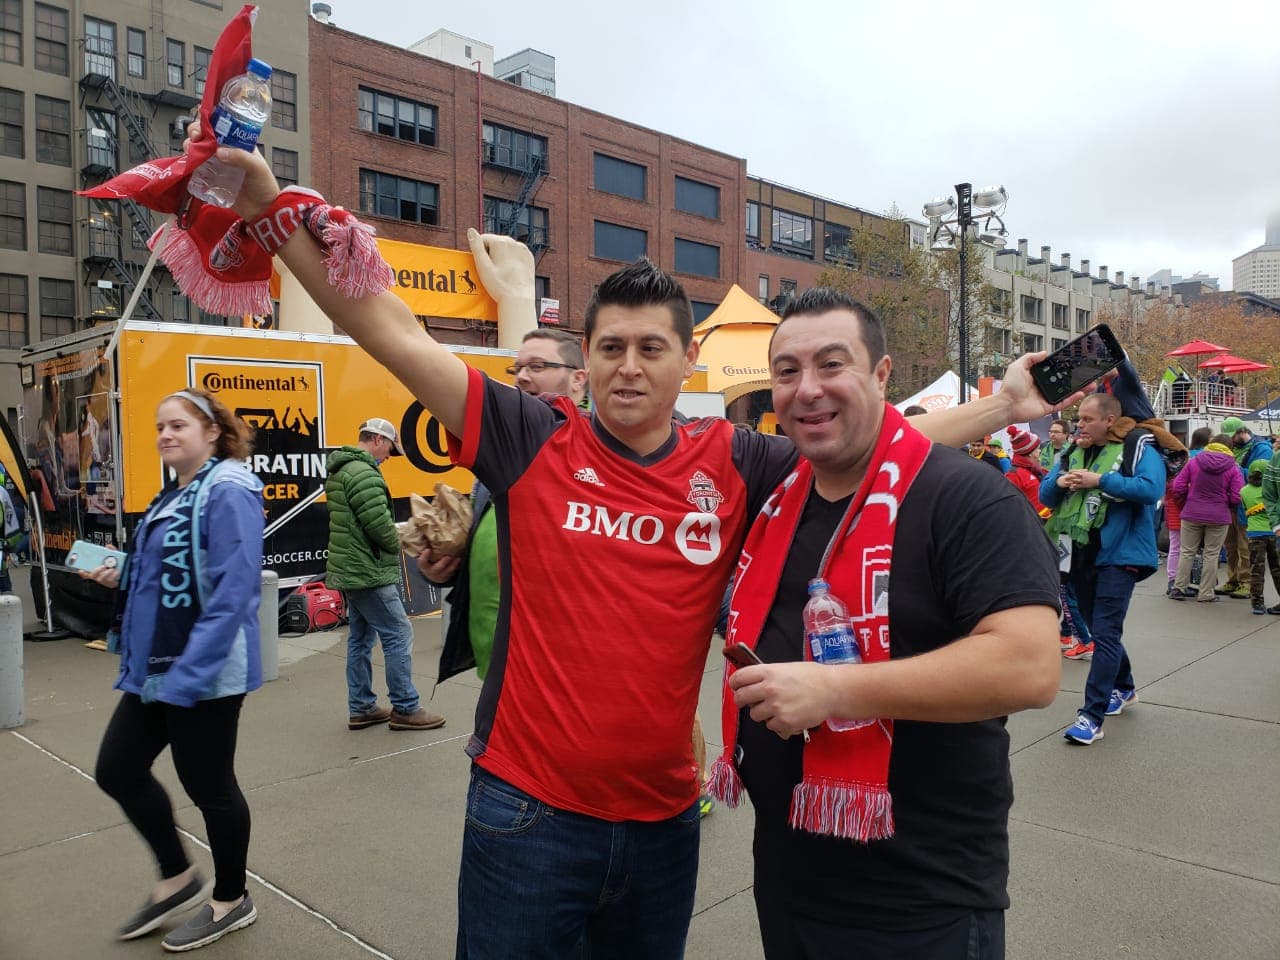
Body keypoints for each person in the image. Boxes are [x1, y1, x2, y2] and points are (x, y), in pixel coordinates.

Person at [194, 131, 1076, 957]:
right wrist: (271, 209)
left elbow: (871, 443)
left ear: (686, 360)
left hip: (664, 824)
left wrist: (1002, 407)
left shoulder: (736, 460)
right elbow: (387, 328)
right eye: (610, 346)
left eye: (651, 347)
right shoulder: (527, 435)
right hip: (526, 813)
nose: (629, 366)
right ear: (584, 356)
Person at [711, 289, 1061, 959]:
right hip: (790, 884)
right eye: (786, 371)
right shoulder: (774, 504)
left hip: (922, 902)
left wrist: (837, 690)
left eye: (831, 364)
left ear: (881, 376)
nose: (806, 388)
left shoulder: (964, 497)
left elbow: (1030, 666)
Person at [85, 389, 263, 952]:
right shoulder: (174, 494)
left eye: (179, 424)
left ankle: (232, 899)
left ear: (212, 431)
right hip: (155, 665)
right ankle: (179, 877)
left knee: (210, 788)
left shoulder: (228, 489)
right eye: (160, 425)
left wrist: (189, 675)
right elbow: (166, 570)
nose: (165, 434)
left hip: (201, 671)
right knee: (117, 768)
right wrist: (121, 570)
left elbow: (234, 591)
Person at [1041, 393, 1164, 745]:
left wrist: (1100, 481)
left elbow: (1152, 488)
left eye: (1086, 419)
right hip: (1079, 554)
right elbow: (1046, 496)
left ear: (1109, 421)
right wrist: (1060, 483)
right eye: (1078, 419)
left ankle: (1090, 717)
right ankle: (1124, 687)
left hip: (1119, 556)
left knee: (1105, 635)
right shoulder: (1070, 453)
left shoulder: (1137, 449)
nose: (1078, 425)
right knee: (1099, 629)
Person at [326, 417, 446, 732]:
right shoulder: (364, 473)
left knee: (361, 639)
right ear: (378, 440)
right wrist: (408, 542)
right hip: (368, 572)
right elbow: (379, 527)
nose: (389, 456)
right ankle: (406, 707)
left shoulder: (343, 469)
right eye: (390, 449)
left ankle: (362, 707)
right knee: (398, 633)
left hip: (352, 569)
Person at [1169, 441, 1241, 601]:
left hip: (1192, 512)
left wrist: (1187, 501)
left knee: (1186, 551)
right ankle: (1206, 593)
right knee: (1212, 554)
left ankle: (1178, 588)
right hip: (1219, 515)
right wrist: (1225, 503)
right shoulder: (1233, 467)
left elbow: (1177, 486)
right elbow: (1237, 496)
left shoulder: (1194, 462)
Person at [1218, 418, 1272, 598]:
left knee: (1245, 546)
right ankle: (1232, 579)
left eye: (1232, 436)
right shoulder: (1233, 448)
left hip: (1248, 506)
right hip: (1230, 503)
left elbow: (1260, 475)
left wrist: (1233, 468)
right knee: (1230, 545)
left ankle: (1246, 582)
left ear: (1241, 432)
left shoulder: (1261, 449)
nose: (1231, 440)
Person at [1238, 461, 1280, 615]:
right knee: (1277, 568)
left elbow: (1244, 509)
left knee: (1256, 569)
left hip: (1254, 533)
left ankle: (1257, 604)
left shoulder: (1243, 491)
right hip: (1274, 532)